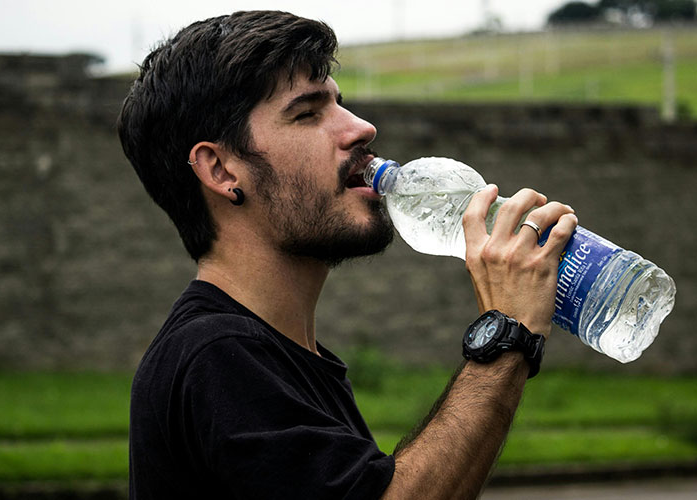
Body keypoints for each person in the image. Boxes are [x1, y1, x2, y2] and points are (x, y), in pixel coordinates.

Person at [118, 10, 577, 500]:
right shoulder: (216, 357)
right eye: (307, 113)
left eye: (340, 104)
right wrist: (506, 333)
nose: (362, 128)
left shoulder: (284, 358)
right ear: (222, 170)